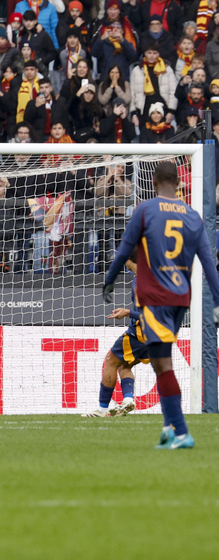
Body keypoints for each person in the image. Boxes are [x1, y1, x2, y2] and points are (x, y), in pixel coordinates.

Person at [102, 161, 219, 449]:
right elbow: (208, 262)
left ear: (154, 181)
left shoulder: (146, 210)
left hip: (155, 299)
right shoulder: (193, 216)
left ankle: (181, 432)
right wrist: (217, 300)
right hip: (181, 300)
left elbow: (124, 250)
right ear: (179, 183)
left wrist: (109, 278)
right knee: (158, 362)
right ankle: (169, 428)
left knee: (163, 364)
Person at [83, 252, 143, 418]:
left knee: (110, 361)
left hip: (141, 334)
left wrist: (127, 313)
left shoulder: (142, 283)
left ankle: (102, 410)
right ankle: (128, 399)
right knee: (125, 364)